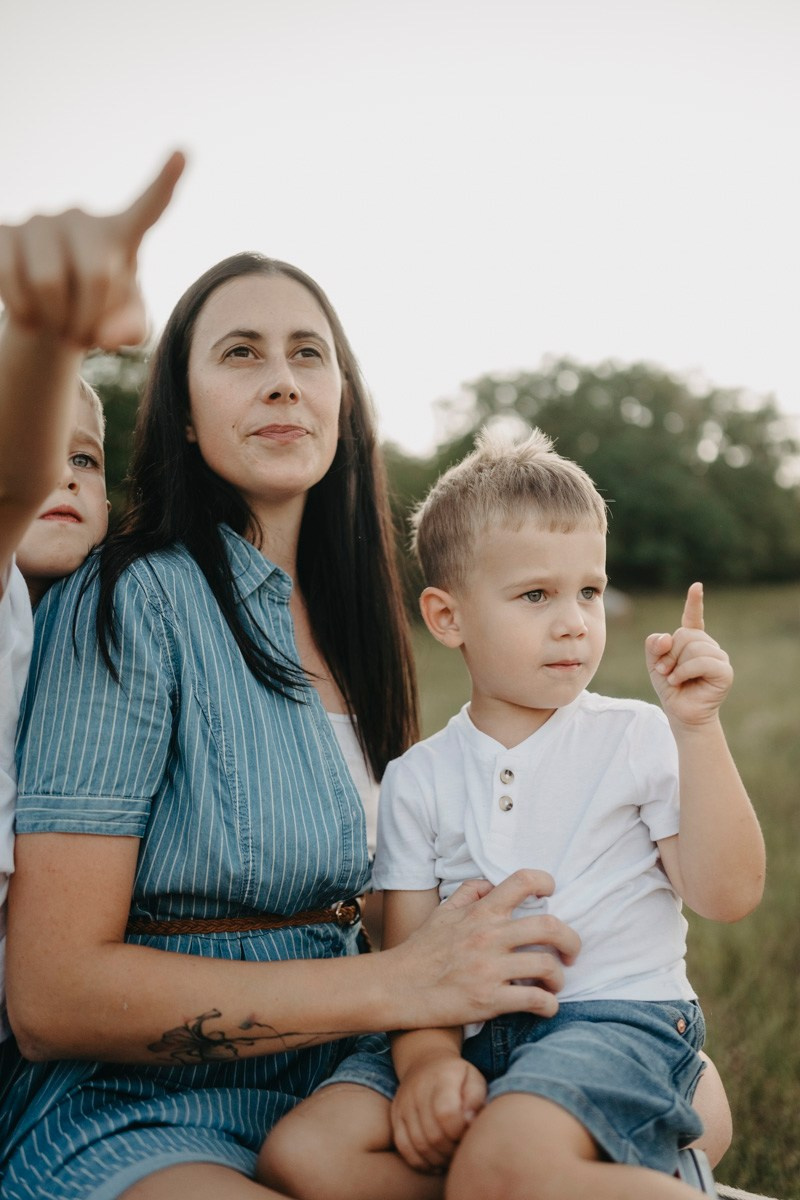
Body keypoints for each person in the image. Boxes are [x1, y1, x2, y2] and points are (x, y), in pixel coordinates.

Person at [0, 188, 583, 1198]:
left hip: (348, 1084)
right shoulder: (132, 595)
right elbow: (52, 994)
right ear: (181, 416)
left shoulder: (364, 627)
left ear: (343, 398)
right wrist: (397, 983)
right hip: (145, 1109)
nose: (280, 381)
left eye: (307, 354)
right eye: (240, 354)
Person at [258, 426, 764, 1200]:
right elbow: (414, 961)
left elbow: (727, 895)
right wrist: (428, 1065)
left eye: (588, 591)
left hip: (612, 1022)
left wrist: (696, 729)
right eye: (536, 595)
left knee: (502, 1166)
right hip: (461, 1035)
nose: (574, 622)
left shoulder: (634, 735)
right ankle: (591, 1178)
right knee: (306, 1156)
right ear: (447, 616)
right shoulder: (418, 778)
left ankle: (535, 1175)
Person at [0, 153, 183, 1176]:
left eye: (89, 460)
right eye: (46, 450)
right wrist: (47, 334)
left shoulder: (105, 624)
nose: (61, 480)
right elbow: (10, 480)